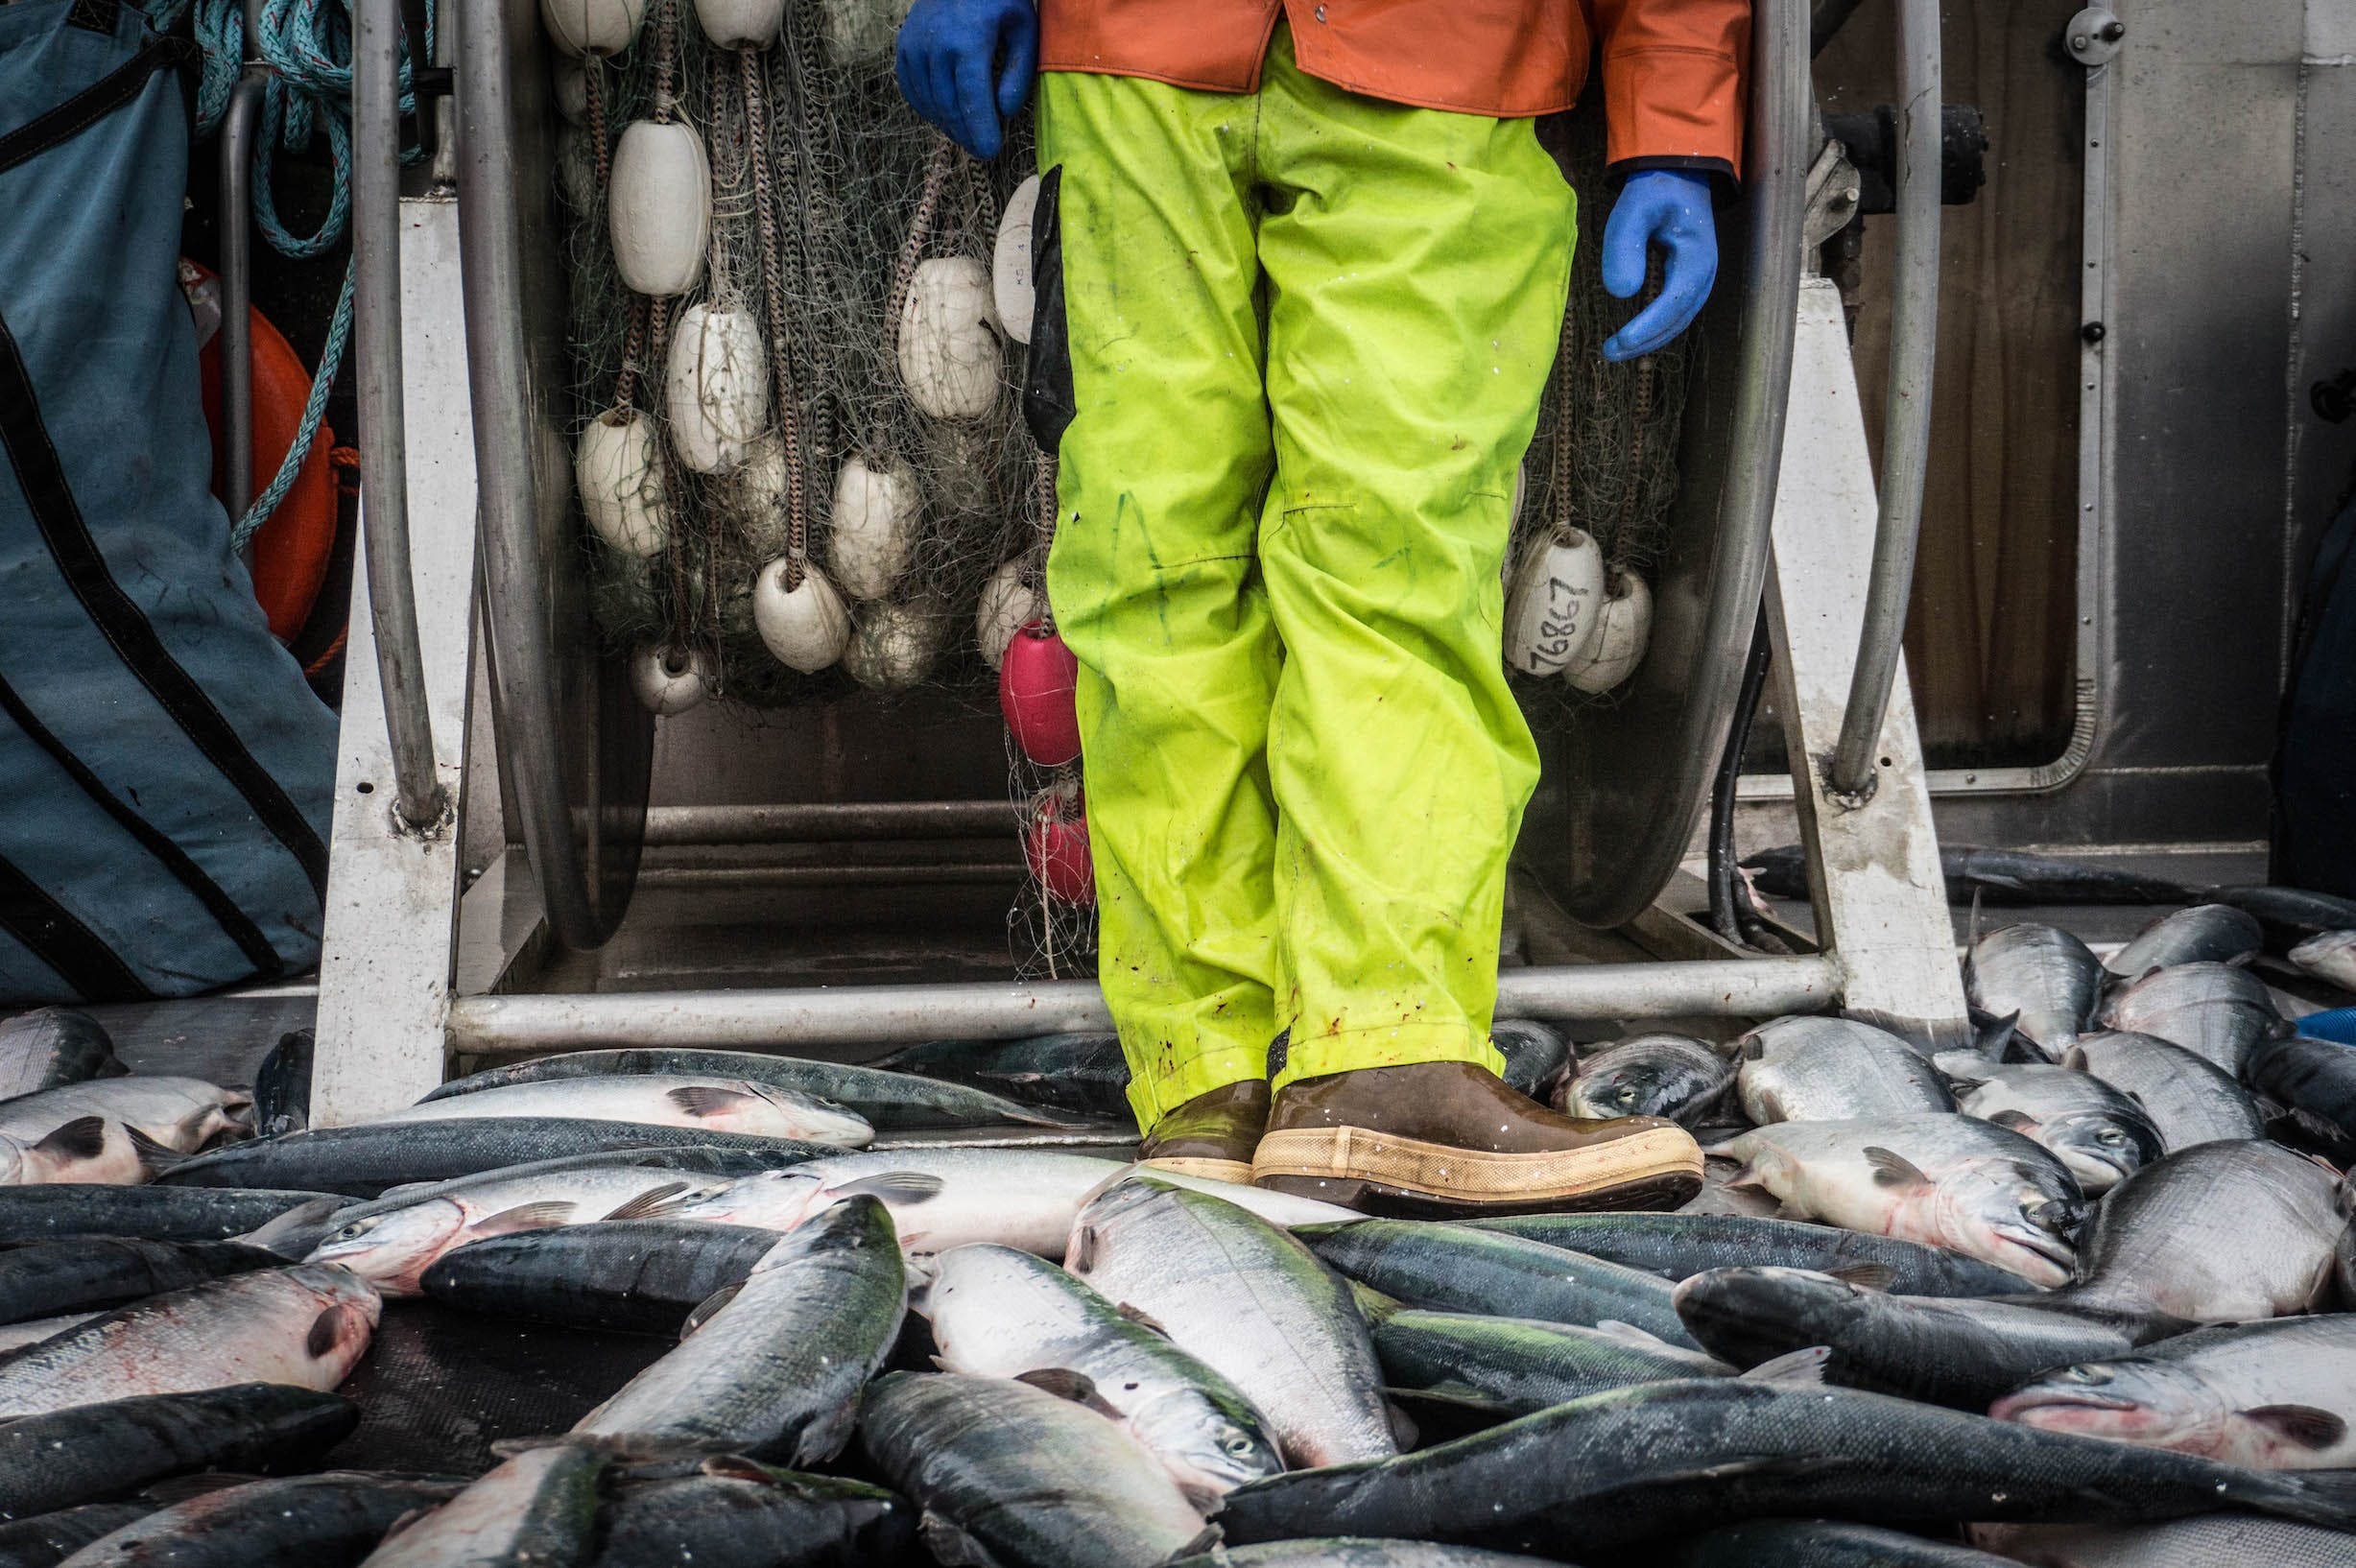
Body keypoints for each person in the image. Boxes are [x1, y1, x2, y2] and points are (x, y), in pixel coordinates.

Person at [896, 0, 1746, 1214]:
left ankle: (1381, 1055)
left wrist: (1672, 109)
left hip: (1451, 60)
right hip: (1138, 56)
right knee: (1147, 553)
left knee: (1384, 559)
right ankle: (1208, 1080)